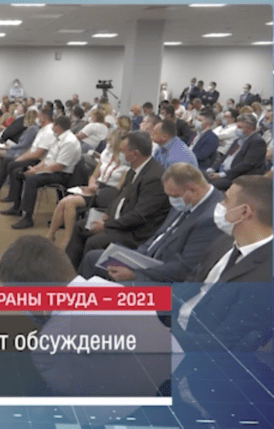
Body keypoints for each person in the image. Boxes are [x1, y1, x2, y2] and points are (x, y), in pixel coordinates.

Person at [173, 176, 272, 352]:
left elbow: (222, 344)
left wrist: (160, 338)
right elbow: (187, 288)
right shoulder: (224, 242)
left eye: (225, 200)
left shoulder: (265, 278)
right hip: (173, 325)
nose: (220, 205)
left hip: (192, 350)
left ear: (244, 212)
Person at [79, 163, 224, 282]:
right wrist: (132, 258)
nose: (172, 201)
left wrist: (136, 273)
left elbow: (185, 268)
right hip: (148, 260)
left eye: (174, 196)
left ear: (193, 190)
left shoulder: (210, 218)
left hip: (163, 276)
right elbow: (158, 236)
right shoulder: (187, 200)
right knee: (94, 257)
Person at [64, 131, 171, 268]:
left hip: (134, 232)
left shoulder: (154, 178)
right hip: (119, 220)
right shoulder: (135, 169)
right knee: (80, 226)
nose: (120, 155)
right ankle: (69, 270)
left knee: (94, 242)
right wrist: (107, 214)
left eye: (123, 151)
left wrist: (107, 225)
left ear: (134, 154)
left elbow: (140, 216)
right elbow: (120, 197)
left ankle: (86, 276)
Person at [47, 116, 130, 248]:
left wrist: (95, 189)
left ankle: (67, 239)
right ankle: (51, 235)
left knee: (69, 202)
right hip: (96, 187)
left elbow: (120, 186)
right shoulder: (106, 154)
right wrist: (91, 184)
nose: (107, 143)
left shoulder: (126, 162)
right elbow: (94, 175)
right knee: (64, 201)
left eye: (110, 141)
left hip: (110, 192)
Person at [6, 115, 82, 230]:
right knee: (19, 172)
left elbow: (58, 166)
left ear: (58, 126)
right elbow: (47, 160)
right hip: (51, 169)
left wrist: (36, 171)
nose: (52, 127)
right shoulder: (58, 137)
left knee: (31, 180)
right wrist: (35, 168)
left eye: (54, 125)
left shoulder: (69, 141)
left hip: (62, 174)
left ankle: (27, 218)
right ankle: (17, 207)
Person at [0, 108, 55, 199]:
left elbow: (37, 154)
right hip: (33, 157)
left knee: (12, 165)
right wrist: (20, 158)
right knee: (8, 161)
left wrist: (20, 159)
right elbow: (32, 149)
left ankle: (11, 195)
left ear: (44, 118)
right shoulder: (42, 129)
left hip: (38, 161)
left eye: (38, 117)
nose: (37, 119)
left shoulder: (48, 132)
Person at [207, 113, 267, 191]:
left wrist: (222, 174)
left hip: (236, 177)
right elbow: (225, 158)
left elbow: (247, 164)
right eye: (237, 126)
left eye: (240, 127)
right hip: (222, 172)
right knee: (200, 177)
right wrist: (212, 168)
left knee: (208, 187)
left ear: (250, 128)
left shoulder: (257, 142)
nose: (237, 129)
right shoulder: (237, 140)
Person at [0, 109, 35, 183]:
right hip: (19, 147)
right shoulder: (31, 128)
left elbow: (23, 145)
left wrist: (9, 147)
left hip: (20, 151)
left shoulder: (31, 129)